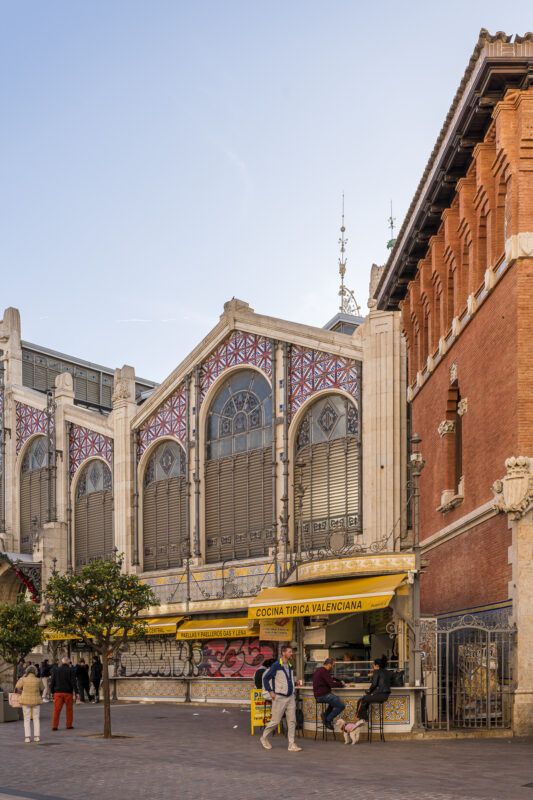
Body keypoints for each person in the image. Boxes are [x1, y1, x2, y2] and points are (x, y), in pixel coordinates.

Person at [260, 646, 302, 752]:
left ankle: (291, 744)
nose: (291, 653)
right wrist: (270, 691)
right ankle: (264, 737)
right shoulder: (276, 665)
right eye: (289, 652)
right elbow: (265, 678)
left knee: (292, 721)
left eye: (291, 652)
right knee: (275, 721)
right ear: (283, 653)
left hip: (290, 697)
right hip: (279, 697)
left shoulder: (290, 665)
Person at [353, 655, 391, 729]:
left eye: (373, 665)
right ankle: (363, 718)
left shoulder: (377, 671)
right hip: (385, 695)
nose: (372, 666)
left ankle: (363, 719)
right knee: (366, 700)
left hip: (380, 694)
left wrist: (367, 693)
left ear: (376, 665)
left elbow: (374, 684)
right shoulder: (387, 672)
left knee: (362, 700)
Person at [312, 657, 346, 729]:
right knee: (341, 705)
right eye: (333, 665)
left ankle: (325, 715)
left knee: (333, 702)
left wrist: (335, 681)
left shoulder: (318, 670)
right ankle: (328, 720)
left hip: (318, 695)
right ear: (329, 664)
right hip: (323, 695)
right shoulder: (325, 671)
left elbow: (327, 681)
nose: (333, 667)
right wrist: (341, 683)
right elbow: (331, 684)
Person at [15, 665, 44, 743]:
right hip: (36, 701)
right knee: (36, 718)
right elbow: (42, 688)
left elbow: (17, 686)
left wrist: (22, 677)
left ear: (27, 672)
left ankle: (27, 737)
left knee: (26, 719)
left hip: (25, 701)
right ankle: (37, 736)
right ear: (35, 672)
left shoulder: (23, 679)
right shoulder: (38, 680)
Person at [50, 656, 76, 730]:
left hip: (58, 693)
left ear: (62, 662)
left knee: (56, 710)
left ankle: (54, 726)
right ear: (68, 662)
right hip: (68, 692)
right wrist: (77, 692)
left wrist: (52, 692)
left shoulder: (56, 670)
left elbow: (52, 682)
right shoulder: (71, 670)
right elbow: (73, 682)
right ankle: (69, 724)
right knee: (69, 710)